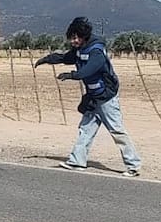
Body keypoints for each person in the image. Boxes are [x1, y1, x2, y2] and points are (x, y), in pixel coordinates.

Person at [34, 17, 142, 177]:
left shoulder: (96, 51)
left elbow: (89, 69)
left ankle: (133, 165)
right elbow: (65, 58)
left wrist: (73, 75)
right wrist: (46, 60)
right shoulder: (79, 50)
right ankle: (77, 161)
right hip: (93, 97)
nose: (74, 41)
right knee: (85, 130)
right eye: (72, 37)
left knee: (117, 131)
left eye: (76, 37)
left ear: (84, 36)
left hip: (106, 98)